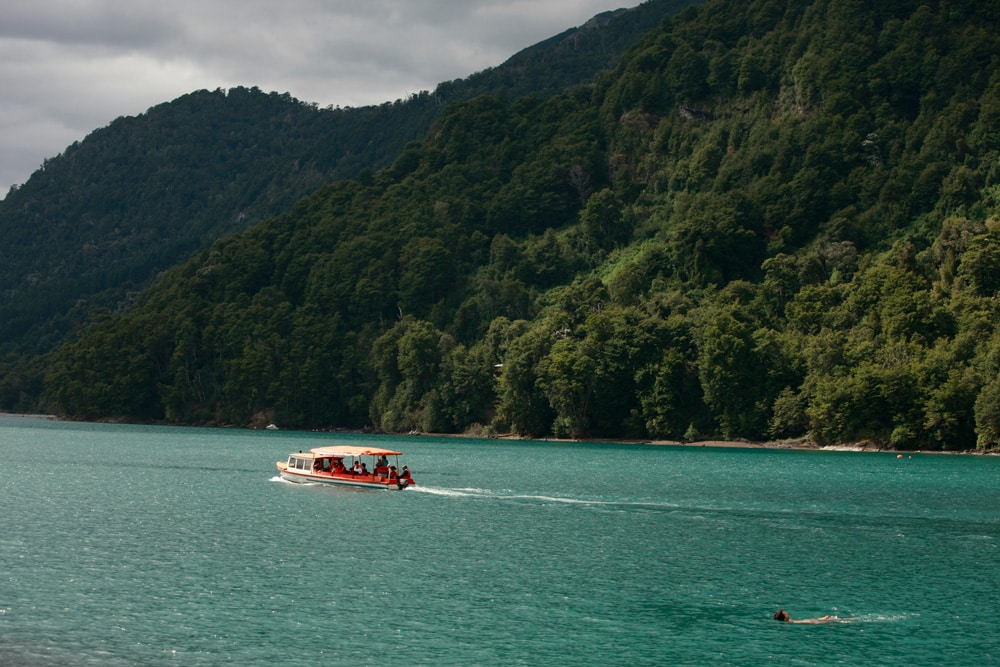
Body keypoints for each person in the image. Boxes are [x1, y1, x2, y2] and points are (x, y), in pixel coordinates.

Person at [773, 610, 854, 624]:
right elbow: (810, 622)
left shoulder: (791, 621)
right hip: (823, 622)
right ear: (785, 617)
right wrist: (823, 620)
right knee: (843, 619)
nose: (787, 612)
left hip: (821, 621)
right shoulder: (793, 622)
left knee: (843, 619)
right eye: (785, 613)